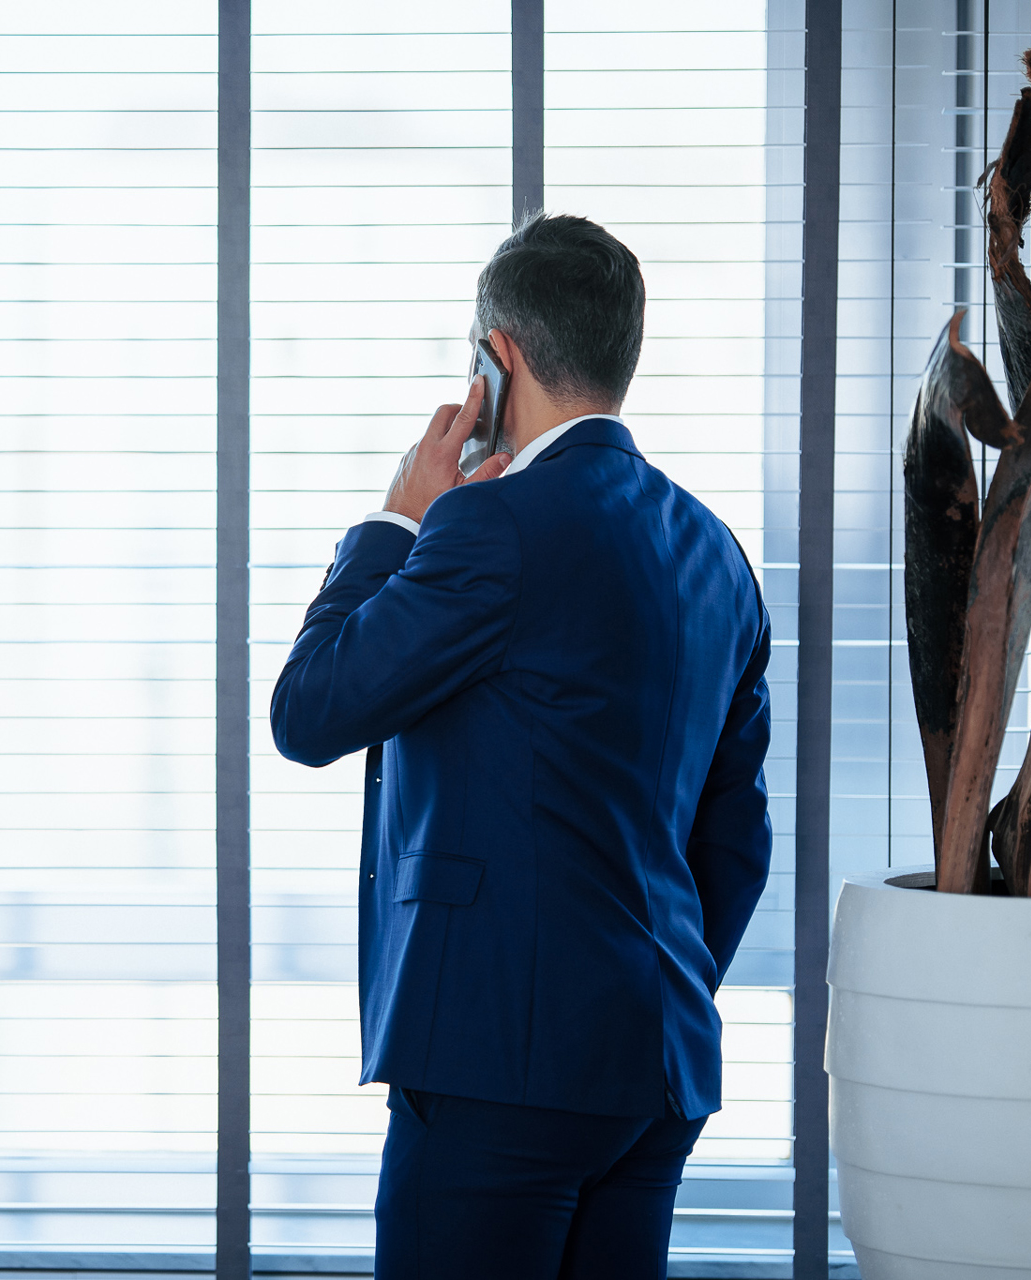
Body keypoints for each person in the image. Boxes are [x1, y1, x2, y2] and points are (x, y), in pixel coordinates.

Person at [269, 213, 773, 1280]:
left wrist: (398, 519)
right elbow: (738, 839)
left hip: (499, 1067)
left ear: (495, 360)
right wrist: (650, 988)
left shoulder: (486, 528)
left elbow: (309, 709)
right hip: (654, 1069)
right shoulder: (718, 555)